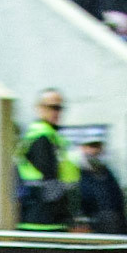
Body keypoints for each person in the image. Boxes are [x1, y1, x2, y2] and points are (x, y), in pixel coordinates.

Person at [16, 88, 80, 230]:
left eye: (60, 108)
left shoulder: (53, 137)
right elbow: (51, 179)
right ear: (39, 108)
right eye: (52, 107)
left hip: (48, 219)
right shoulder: (41, 137)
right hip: (42, 221)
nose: (57, 112)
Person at [74, 133, 127, 234]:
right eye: (91, 146)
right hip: (91, 226)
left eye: (97, 147)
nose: (95, 151)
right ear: (83, 148)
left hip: (113, 226)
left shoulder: (107, 173)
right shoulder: (77, 173)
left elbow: (117, 201)